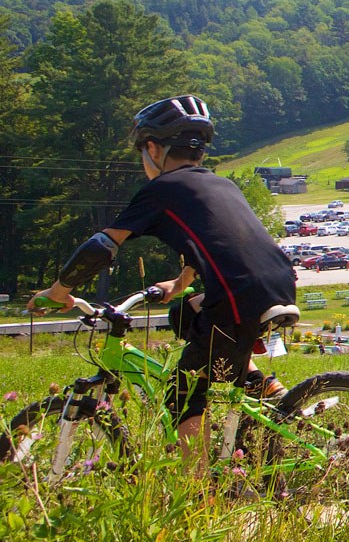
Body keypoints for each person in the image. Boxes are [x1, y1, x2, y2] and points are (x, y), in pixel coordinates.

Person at [30, 95, 300, 460]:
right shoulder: (221, 185)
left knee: (183, 394)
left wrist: (60, 290)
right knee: (185, 314)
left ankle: (200, 495)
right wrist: (179, 283)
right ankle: (262, 384)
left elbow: (102, 246)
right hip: (277, 282)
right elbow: (218, 240)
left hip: (238, 294)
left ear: (154, 148)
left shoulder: (161, 190)